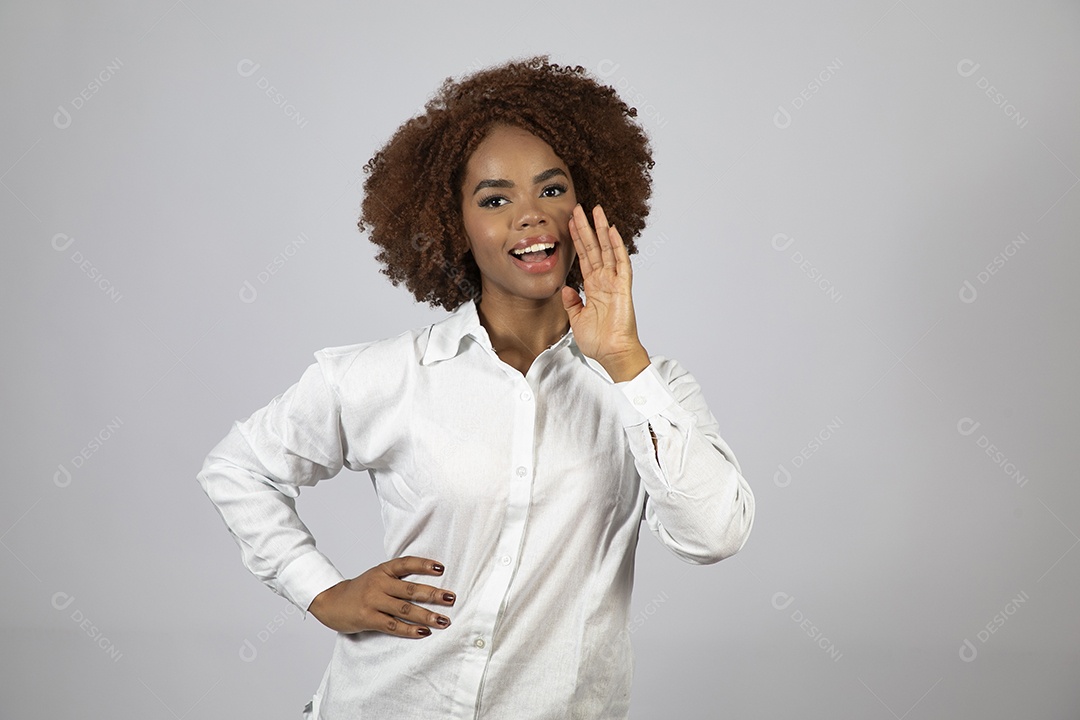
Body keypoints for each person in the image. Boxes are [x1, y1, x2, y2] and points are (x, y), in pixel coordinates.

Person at [197, 54, 755, 719]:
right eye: (495, 199)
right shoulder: (391, 375)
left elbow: (714, 536)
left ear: (589, 203)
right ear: (452, 223)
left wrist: (625, 361)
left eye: (552, 189)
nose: (530, 216)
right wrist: (321, 592)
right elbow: (238, 467)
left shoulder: (648, 390)